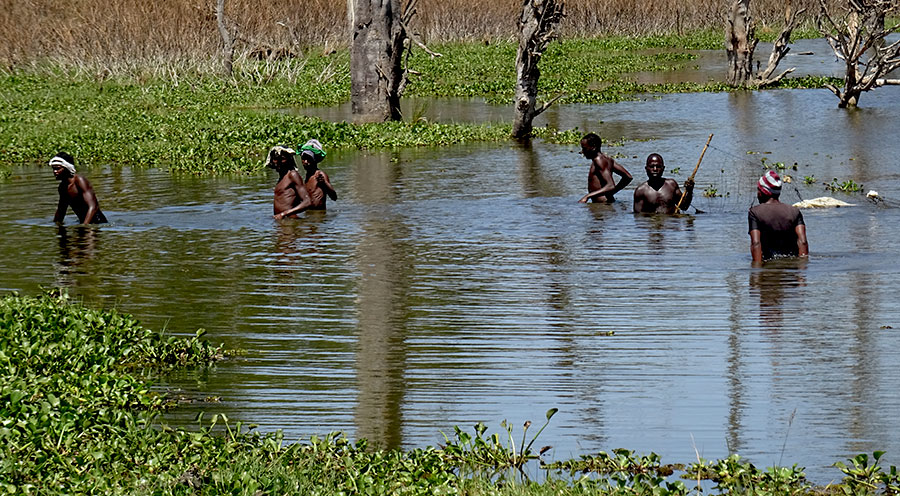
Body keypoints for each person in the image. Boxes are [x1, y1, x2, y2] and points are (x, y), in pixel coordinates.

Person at [749, 170, 808, 263]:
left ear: (763, 192)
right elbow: (803, 242)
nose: (757, 193)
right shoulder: (794, 211)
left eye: (758, 189)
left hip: (768, 264)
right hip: (792, 266)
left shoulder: (755, 212)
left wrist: (757, 268)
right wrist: (803, 267)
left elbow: (756, 243)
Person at [50, 152, 108, 224]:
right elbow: (61, 210)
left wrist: (85, 226)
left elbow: (93, 206)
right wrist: (55, 225)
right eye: (53, 169)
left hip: (98, 222)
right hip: (83, 222)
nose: (55, 172)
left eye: (58, 169)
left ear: (67, 168)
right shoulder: (62, 187)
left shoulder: (79, 181)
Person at [578, 132, 632, 203]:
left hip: (603, 205)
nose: (582, 152)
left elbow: (610, 185)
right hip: (605, 204)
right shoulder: (607, 159)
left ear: (593, 147)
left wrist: (587, 196)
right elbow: (628, 177)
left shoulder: (599, 161)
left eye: (584, 148)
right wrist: (611, 193)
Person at [268, 146, 313, 220]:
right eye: (275, 159)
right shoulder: (282, 177)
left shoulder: (292, 175)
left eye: (282, 159)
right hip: (283, 221)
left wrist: (283, 214)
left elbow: (307, 202)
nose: (278, 162)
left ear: (289, 160)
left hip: (290, 222)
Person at [298, 139, 337, 209]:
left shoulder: (320, 175)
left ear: (315, 160)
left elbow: (334, 197)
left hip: (319, 214)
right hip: (309, 213)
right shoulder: (307, 176)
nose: (306, 162)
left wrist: (324, 183)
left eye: (309, 158)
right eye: (304, 158)